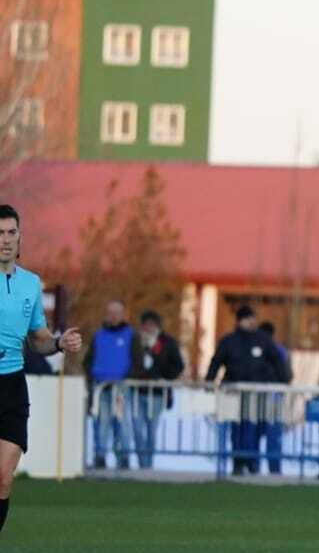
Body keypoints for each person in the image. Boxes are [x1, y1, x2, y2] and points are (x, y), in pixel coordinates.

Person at [0, 204, 84, 535]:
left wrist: (60, 344)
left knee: (4, 478)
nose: (5, 240)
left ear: (20, 238)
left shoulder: (31, 284)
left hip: (12, 386)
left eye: (10, 233)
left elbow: (38, 339)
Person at [205, 304, 287, 475]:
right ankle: (237, 462)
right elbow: (216, 361)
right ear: (240, 321)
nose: (252, 322)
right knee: (235, 429)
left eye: (253, 318)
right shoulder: (229, 341)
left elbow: (277, 361)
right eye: (248, 319)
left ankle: (250, 461)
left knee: (251, 429)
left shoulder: (263, 340)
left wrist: (283, 380)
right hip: (232, 391)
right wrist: (209, 381)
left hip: (255, 393)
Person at [126, 310, 184, 470]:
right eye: (146, 324)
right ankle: (141, 462)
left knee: (151, 431)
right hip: (137, 392)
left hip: (157, 394)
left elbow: (177, 366)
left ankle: (148, 465)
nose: (149, 328)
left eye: (152, 324)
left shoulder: (167, 342)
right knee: (137, 430)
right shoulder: (135, 342)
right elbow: (129, 363)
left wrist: (164, 377)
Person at [85, 299, 134, 469]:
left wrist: (127, 377)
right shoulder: (98, 335)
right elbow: (88, 360)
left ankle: (124, 458)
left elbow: (137, 360)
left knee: (122, 422)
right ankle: (100, 456)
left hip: (121, 389)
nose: (114, 316)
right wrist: (92, 377)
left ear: (123, 315)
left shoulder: (130, 335)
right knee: (102, 422)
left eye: (117, 313)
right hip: (101, 387)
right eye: (111, 313)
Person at [258, 321, 292, 474]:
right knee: (273, 435)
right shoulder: (281, 351)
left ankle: (252, 468)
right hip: (275, 397)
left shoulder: (258, 349)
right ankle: (274, 469)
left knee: (253, 433)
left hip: (256, 397)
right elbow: (288, 375)